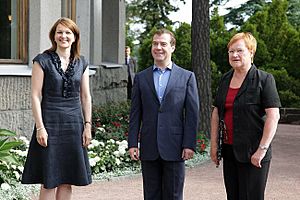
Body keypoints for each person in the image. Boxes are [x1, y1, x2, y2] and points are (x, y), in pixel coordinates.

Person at [21, 17, 92, 200]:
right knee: (49, 180)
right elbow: (36, 96)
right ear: (53, 36)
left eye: (68, 32)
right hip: (50, 123)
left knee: (67, 179)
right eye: (59, 32)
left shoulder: (82, 62)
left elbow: (85, 96)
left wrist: (88, 125)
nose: (63, 36)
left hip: (74, 125)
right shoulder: (42, 60)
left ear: (75, 37)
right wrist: (40, 127)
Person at [128, 28, 199, 200]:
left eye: (163, 44)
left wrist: (189, 144)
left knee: (174, 195)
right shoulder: (141, 77)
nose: (158, 47)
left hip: (175, 147)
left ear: (172, 47)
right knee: (150, 195)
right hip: (149, 145)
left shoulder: (187, 77)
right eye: (155, 44)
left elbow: (192, 114)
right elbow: (135, 113)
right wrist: (132, 143)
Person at [210, 32, 281, 200]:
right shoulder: (225, 79)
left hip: (254, 153)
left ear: (251, 52)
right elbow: (216, 112)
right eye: (231, 51)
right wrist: (214, 146)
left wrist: (261, 150)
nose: (234, 55)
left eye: (239, 50)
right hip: (230, 151)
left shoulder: (264, 79)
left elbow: (273, 116)